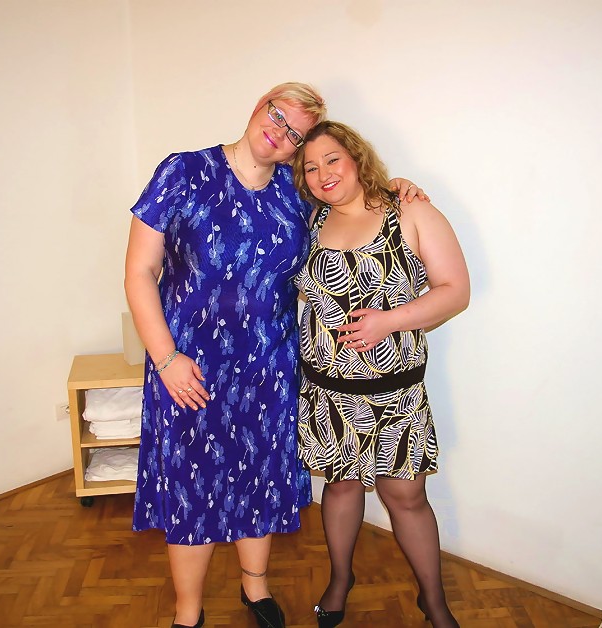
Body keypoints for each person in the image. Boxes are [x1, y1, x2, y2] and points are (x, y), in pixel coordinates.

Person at [124, 83, 425, 628]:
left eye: (295, 133)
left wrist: (397, 187)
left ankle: (255, 588)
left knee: (258, 477)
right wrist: (166, 358)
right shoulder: (183, 171)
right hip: (188, 365)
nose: (280, 132)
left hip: (270, 365)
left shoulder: (296, 191)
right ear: (258, 106)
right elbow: (140, 272)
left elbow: (351, 200)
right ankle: (188, 612)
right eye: (277, 115)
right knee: (193, 486)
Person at [292, 121, 470, 628]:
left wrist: (388, 321)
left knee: (406, 496)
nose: (323, 173)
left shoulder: (409, 212)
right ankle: (340, 580)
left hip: (395, 392)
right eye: (311, 167)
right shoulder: (310, 220)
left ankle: (433, 600)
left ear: (356, 157)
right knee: (341, 487)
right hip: (328, 391)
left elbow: (455, 290)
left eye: (333, 159)